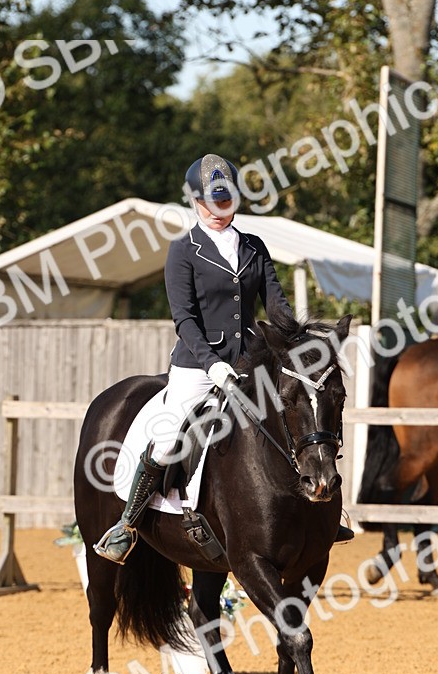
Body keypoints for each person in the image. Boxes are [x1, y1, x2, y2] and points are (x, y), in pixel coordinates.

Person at [95, 152, 353, 563]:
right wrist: (212, 364)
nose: (218, 210)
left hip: (252, 363)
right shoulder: (185, 250)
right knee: (165, 440)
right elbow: (184, 317)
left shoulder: (254, 247)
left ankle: (321, 514)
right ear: (196, 203)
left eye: (226, 200)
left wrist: (301, 345)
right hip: (197, 366)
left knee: (295, 418)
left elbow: (278, 308)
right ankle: (126, 524)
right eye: (210, 202)